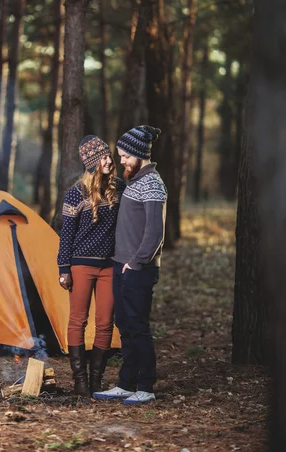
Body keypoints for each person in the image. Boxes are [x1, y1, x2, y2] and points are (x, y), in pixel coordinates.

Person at [94, 125, 167, 405]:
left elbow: (154, 232)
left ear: (138, 155)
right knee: (124, 325)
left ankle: (145, 387)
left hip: (138, 268)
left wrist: (137, 262)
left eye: (125, 157)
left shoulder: (153, 184)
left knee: (137, 327)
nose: (121, 161)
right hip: (121, 265)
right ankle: (126, 384)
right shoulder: (136, 181)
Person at [57, 135, 125, 396]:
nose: (110, 160)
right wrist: (63, 268)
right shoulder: (75, 194)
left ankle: (96, 380)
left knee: (106, 322)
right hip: (80, 266)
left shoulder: (119, 188)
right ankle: (80, 382)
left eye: (109, 156)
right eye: (104, 158)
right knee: (78, 321)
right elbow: (67, 236)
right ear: (92, 162)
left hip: (109, 266)